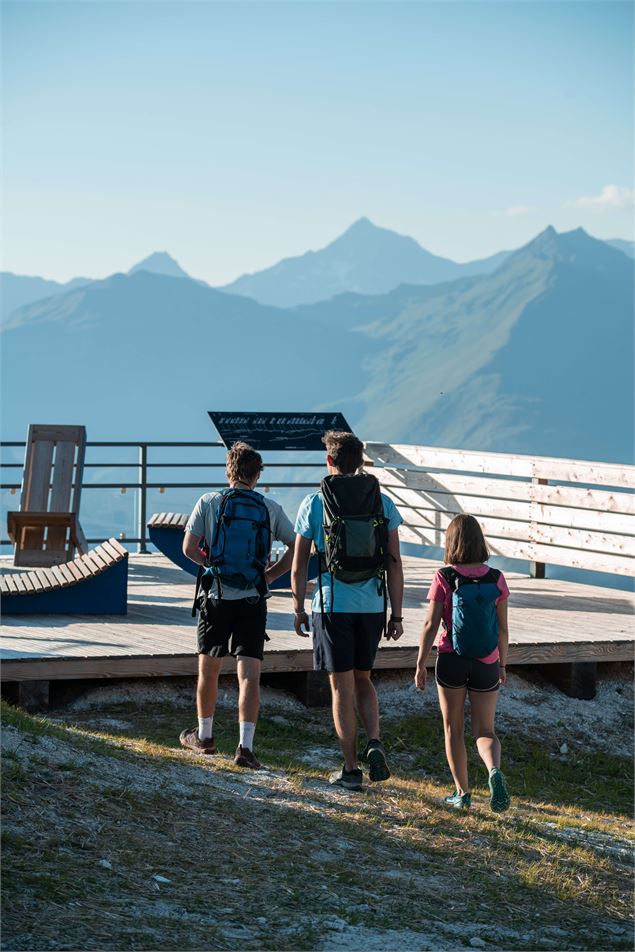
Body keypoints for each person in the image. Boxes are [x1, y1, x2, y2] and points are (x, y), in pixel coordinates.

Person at [291, 430, 404, 791]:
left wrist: (297, 607)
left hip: (332, 606)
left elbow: (297, 566)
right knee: (363, 680)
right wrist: (396, 614)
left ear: (329, 461)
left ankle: (351, 770)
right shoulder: (381, 503)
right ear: (361, 462)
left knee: (340, 689)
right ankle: (374, 740)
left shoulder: (313, 503)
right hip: (372, 604)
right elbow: (394, 561)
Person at [179, 441, 296, 769]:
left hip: (215, 597)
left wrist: (211, 566)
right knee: (249, 676)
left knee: (209, 670)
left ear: (228, 471)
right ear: (257, 474)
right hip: (253, 600)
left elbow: (188, 547)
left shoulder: (209, 501)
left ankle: (204, 737)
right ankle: (245, 748)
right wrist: (269, 575)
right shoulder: (269, 508)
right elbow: (299, 544)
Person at [414, 514, 511, 812]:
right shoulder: (496, 578)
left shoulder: (444, 576)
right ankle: (493, 771)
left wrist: (420, 663)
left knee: (453, 728)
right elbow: (503, 628)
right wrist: (502, 664)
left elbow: (431, 623)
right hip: (487, 662)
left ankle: (462, 793)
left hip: (452, 659)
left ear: (451, 542)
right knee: (485, 730)